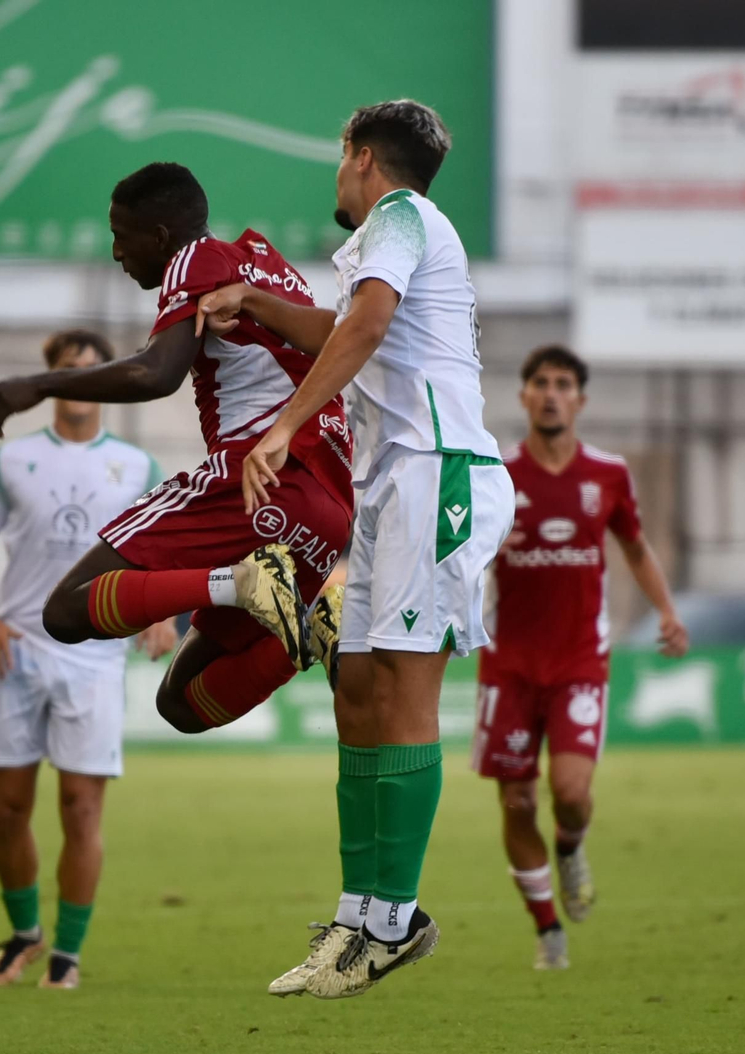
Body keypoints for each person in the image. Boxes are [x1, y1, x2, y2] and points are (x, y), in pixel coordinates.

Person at [195, 99, 514, 998]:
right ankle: (357, 917)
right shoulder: (388, 241)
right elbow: (348, 329)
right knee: (361, 688)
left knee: (406, 692)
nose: (337, 175)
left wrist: (284, 428)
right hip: (391, 484)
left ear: (363, 158)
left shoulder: (402, 219)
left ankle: (394, 921)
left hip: (435, 473)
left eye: (341, 159)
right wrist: (255, 300)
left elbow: (366, 327)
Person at [0, 162, 354, 744]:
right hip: (327, 502)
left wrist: (39, 385)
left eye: (121, 236)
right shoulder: (264, 263)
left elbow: (157, 372)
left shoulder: (195, 260)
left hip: (258, 476)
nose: (117, 254)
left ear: (159, 236)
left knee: (65, 611)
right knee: (181, 701)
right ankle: (309, 631)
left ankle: (242, 583)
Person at [0, 329, 177, 992]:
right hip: (17, 652)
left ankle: (68, 955)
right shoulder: (13, 460)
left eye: (92, 369)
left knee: (82, 809)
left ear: (106, 381)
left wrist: (163, 612)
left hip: (93, 656)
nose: (80, 378)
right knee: (8, 809)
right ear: (52, 378)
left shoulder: (139, 468)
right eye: (68, 368)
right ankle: (25, 935)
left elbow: (161, 551)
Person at [472, 346, 689, 971]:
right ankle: (548, 930)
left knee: (569, 793)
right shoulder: (497, 474)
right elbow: (462, 553)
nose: (550, 393)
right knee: (515, 802)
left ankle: (570, 847)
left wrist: (669, 613)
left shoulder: (609, 475)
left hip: (578, 665)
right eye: (540, 383)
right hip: (508, 663)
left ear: (580, 400)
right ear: (524, 396)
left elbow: (637, 547)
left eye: (563, 384)